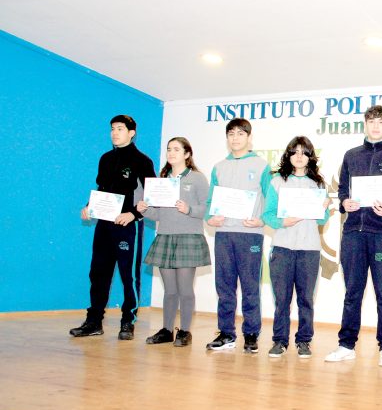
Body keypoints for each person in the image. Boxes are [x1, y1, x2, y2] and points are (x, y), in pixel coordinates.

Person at [324, 105, 382, 367]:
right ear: (365, 123)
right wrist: (345, 203)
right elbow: (343, 191)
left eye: (381, 122)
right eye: (371, 121)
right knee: (352, 292)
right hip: (352, 233)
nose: (375, 126)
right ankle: (346, 345)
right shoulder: (351, 155)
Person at [70, 115, 156, 340]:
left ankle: (128, 321)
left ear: (131, 132)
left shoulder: (142, 161)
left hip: (127, 226)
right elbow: (102, 188)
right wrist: (89, 207)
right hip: (103, 225)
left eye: (120, 129)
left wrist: (133, 214)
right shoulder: (105, 159)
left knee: (129, 276)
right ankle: (94, 321)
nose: (115, 133)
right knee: (98, 273)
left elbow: (153, 195)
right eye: (112, 129)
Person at [205, 118, 272, 353]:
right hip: (223, 233)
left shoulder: (262, 166)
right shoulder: (218, 167)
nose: (235, 138)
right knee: (224, 286)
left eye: (240, 134)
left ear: (249, 137)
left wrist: (262, 220)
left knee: (251, 286)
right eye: (231, 134)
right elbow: (211, 201)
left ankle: (251, 334)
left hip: (250, 234)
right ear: (227, 138)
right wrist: (209, 217)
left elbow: (271, 200)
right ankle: (226, 333)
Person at [137, 137, 210, 347]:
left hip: (188, 238)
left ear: (187, 154)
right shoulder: (162, 179)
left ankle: (185, 331)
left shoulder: (197, 178)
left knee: (185, 289)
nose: (171, 153)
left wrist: (189, 209)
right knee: (170, 291)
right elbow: (158, 215)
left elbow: (206, 208)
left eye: (176, 149)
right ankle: (167, 330)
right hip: (165, 238)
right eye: (169, 149)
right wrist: (145, 210)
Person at [262, 136, 331, 359]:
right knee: (282, 299)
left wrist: (325, 209)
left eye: (304, 152)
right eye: (295, 152)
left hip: (309, 249)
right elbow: (268, 215)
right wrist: (283, 221)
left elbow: (320, 222)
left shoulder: (318, 184)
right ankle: (280, 341)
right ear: (288, 155)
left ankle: (304, 341)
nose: (299, 156)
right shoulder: (276, 182)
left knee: (306, 299)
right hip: (282, 247)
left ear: (310, 156)